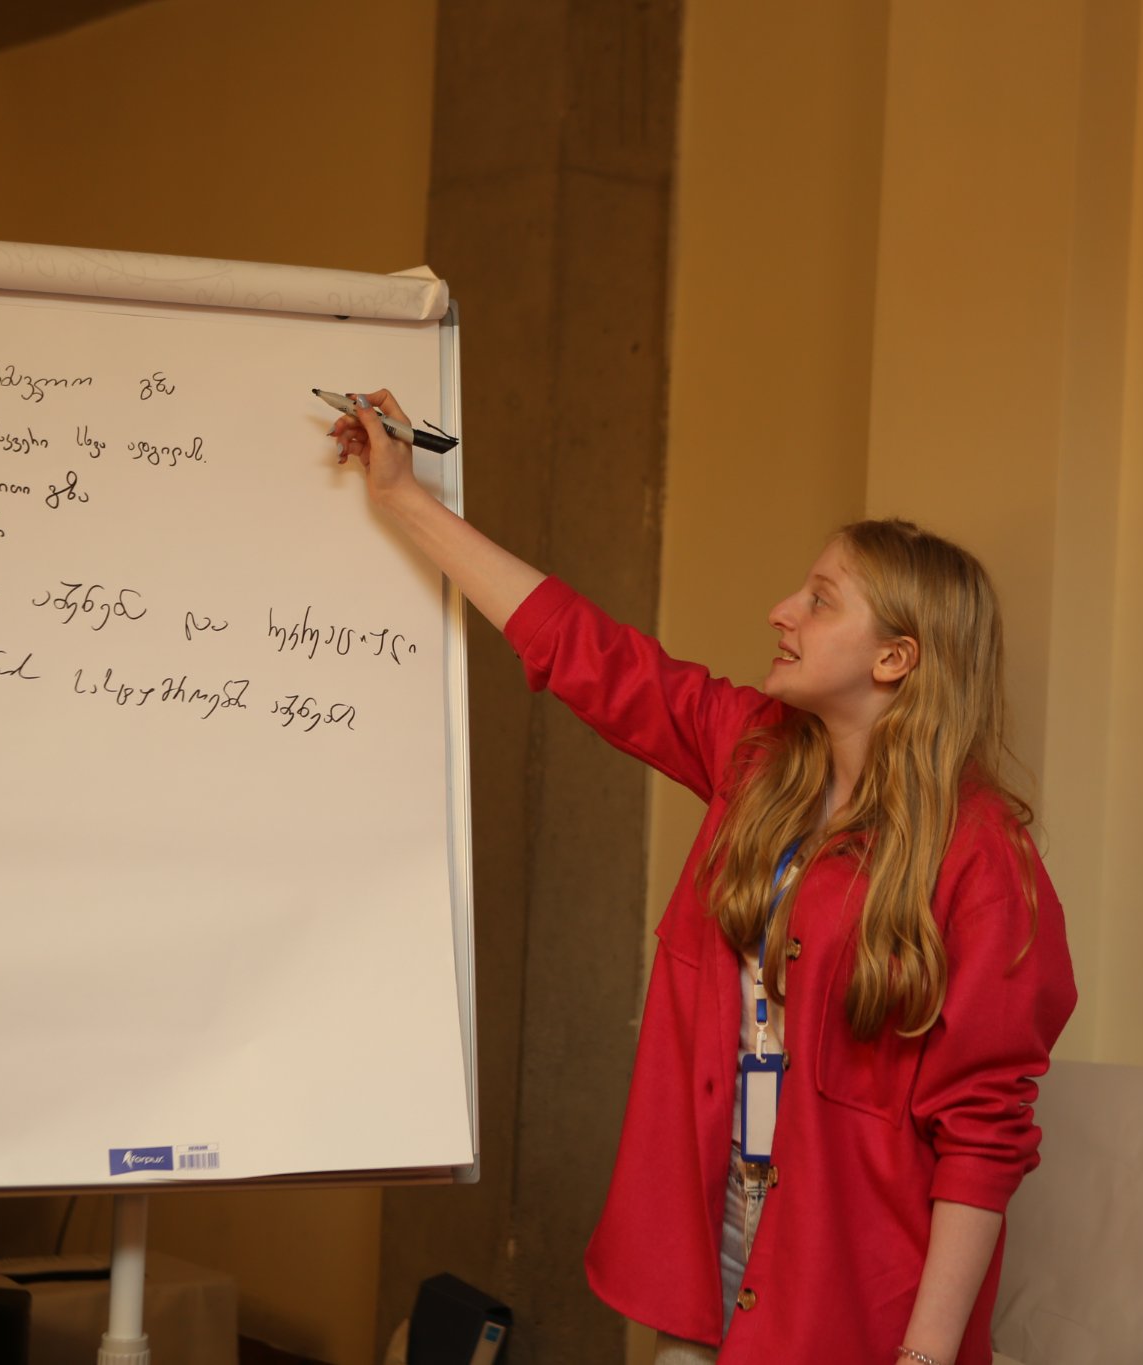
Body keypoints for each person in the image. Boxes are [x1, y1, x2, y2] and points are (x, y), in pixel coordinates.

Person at [331, 392, 1077, 1364]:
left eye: (820, 600)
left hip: (855, 1301)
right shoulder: (753, 755)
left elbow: (982, 1137)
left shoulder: (984, 858)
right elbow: (584, 651)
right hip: (708, 1259)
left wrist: (926, 1355)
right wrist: (403, 499)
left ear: (896, 657)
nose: (782, 611)